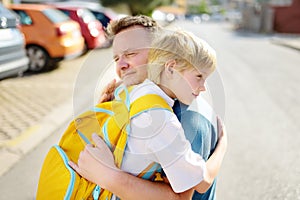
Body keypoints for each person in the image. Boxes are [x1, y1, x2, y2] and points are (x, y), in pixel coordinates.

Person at [69, 16, 227, 200]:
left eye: (130, 54)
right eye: (117, 58)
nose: (121, 65)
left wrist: (109, 177)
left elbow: (185, 195)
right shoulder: (132, 97)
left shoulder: (188, 119)